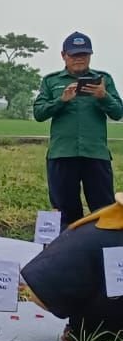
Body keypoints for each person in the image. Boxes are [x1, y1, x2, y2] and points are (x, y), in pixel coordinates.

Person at [33, 32, 121, 230]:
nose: (79, 58)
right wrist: (61, 100)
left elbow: (118, 112)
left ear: (91, 55)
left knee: (104, 209)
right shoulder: (51, 81)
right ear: (64, 55)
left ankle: (103, 255)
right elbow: (39, 113)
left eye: (84, 54)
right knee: (65, 212)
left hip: (95, 154)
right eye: (74, 54)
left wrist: (103, 96)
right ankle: (67, 255)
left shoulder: (103, 80)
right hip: (62, 153)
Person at [21, 193, 123, 341]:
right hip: (95, 337)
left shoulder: (90, 233)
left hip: (90, 336)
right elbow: (39, 291)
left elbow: (38, 292)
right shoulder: (95, 238)